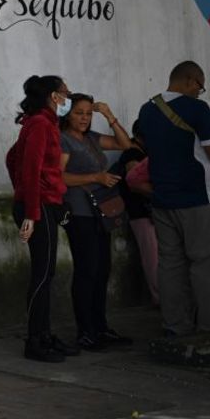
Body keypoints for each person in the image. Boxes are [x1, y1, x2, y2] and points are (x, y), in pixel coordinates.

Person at [136, 61, 210, 336]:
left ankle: (175, 325)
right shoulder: (197, 109)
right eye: (200, 86)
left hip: (162, 198)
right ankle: (209, 326)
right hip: (197, 196)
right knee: (204, 261)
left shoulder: (147, 110)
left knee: (170, 263)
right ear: (191, 80)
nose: (199, 92)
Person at [5, 75, 80, 363]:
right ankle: (35, 340)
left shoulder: (43, 123)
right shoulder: (39, 124)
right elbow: (30, 169)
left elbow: (12, 159)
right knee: (42, 274)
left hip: (42, 204)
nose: (69, 97)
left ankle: (45, 334)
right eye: (66, 92)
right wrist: (30, 211)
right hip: (39, 208)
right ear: (54, 96)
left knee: (46, 273)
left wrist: (24, 195)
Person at [58, 94, 133, 350]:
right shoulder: (63, 140)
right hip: (79, 212)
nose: (84, 118)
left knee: (102, 270)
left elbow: (125, 145)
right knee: (87, 270)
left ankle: (100, 327)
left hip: (101, 212)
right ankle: (86, 331)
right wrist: (95, 177)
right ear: (68, 114)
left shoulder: (92, 138)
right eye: (79, 113)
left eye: (89, 113)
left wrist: (109, 115)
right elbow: (59, 177)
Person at [111, 122, 158, 306]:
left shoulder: (140, 151)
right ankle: (160, 298)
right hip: (142, 213)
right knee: (152, 258)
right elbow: (134, 180)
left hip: (147, 212)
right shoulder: (132, 153)